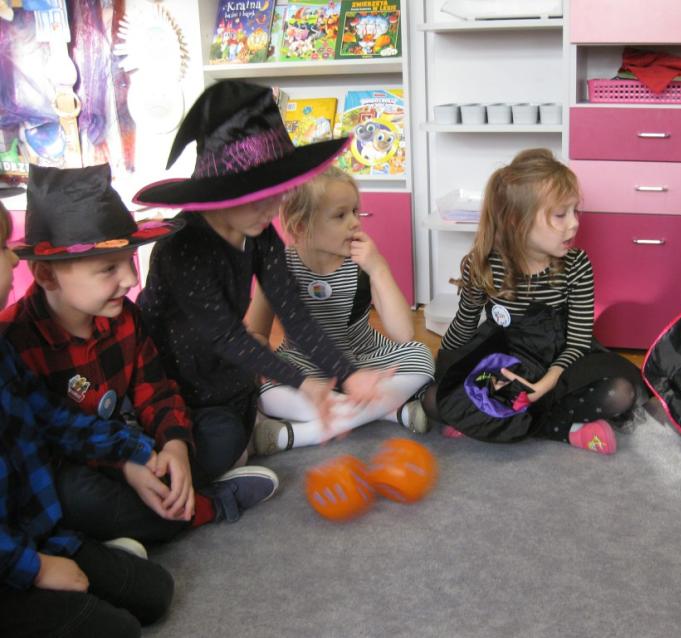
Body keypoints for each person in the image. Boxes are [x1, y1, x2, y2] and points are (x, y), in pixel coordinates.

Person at [0, 164, 278, 546]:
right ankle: (204, 506)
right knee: (76, 495)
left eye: (131, 262)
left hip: (135, 442)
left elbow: (155, 390)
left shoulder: (125, 317)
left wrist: (175, 446)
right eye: (108, 269)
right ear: (47, 276)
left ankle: (143, 514)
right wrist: (125, 466)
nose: (131, 280)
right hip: (84, 464)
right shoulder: (15, 339)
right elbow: (45, 442)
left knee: (223, 431)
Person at [132, 80, 391, 461]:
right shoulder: (182, 247)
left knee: (236, 426)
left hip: (224, 373)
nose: (272, 210)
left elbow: (293, 312)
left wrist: (348, 374)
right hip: (165, 379)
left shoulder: (260, 235)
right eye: (259, 198)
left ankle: (249, 434)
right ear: (221, 192)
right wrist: (304, 383)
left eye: (278, 193)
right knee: (216, 445)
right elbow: (226, 335)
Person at [0, 200, 174, 638]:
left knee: (155, 592)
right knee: (117, 630)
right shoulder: (17, 333)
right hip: (14, 559)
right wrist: (35, 568)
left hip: (35, 530)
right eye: (2, 248)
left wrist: (134, 452)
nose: (13, 259)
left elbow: (53, 418)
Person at [423, 148, 642, 453]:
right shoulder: (483, 264)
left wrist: (548, 381)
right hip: (505, 364)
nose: (574, 224)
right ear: (517, 221)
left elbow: (578, 342)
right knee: (433, 400)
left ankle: (513, 423)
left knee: (619, 394)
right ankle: (563, 430)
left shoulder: (577, 265)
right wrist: (446, 376)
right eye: (560, 215)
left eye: (575, 211)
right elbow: (463, 326)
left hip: (561, 365)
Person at [244, 166, 435, 453]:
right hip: (304, 362)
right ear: (301, 226)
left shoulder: (363, 262)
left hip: (364, 356)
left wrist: (379, 268)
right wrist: (262, 363)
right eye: (340, 215)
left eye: (356, 212)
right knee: (263, 392)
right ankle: (387, 412)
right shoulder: (278, 267)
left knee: (421, 357)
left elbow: (403, 333)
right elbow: (257, 332)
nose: (355, 223)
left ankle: (298, 435)